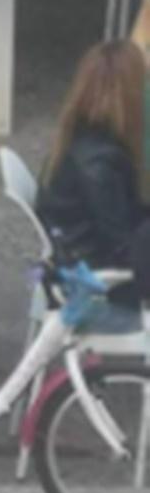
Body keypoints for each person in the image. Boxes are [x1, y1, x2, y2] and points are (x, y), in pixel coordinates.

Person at [37, 40, 150, 323]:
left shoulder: (83, 136)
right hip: (102, 285)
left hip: (78, 261)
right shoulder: (99, 163)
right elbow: (124, 245)